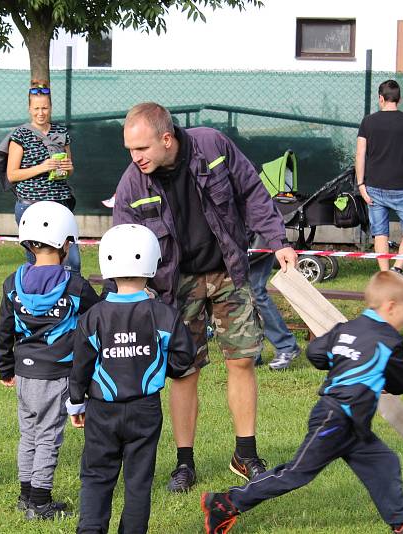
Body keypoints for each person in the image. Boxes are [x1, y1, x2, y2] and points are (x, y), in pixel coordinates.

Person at [113, 102, 296, 492]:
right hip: (175, 284)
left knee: (242, 360)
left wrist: (278, 241)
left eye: (142, 148)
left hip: (228, 269)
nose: (136, 158)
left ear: (166, 139)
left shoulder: (212, 145)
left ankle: (245, 454)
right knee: (184, 371)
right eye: (130, 150)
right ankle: (184, 464)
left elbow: (252, 190)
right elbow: (124, 241)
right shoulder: (132, 183)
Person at [201, 271, 403, 534]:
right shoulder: (390, 341)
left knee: (385, 463)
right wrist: (382, 378)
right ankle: (225, 503)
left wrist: (344, 361)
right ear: (390, 307)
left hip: (351, 424)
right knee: (296, 473)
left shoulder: (347, 328)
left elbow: (316, 353)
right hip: (335, 420)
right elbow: (402, 382)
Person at [68, 224, 195, 534]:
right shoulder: (165, 315)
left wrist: (75, 402)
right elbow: (183, 360)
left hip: (101, 410)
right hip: (145, 410)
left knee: (97, 476)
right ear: (152, 263)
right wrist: (158, 366)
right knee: (138, 481)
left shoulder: (93, 316)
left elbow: (81, 366)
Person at [0, 200, 99, 520]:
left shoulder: (13, 282)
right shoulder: (76, 285)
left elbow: (4, 329)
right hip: (56, 374)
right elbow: (98, 317)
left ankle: (26, 496)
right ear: (66, 242)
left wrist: (5, 366)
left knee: (29, 434)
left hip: (24, 374)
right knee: (48, 438)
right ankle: (40, 503)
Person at [6, 81, 79, 273]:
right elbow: (12, 175)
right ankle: (37, 300)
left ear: (51, 108)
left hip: (59, 204)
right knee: (37, 264)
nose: (41, 112)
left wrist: (68, 168)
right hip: (31, 206)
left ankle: (69, 299)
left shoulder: (61, 132)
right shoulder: (20, 134)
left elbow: (68, 169)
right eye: (37, 108)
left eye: (45, 108)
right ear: (30, 109)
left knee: (72, 262)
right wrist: (42, 167)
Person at [356, 79, 403, 276]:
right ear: (399, 99)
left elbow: (360, 153)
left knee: (380, 232)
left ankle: (385, 275)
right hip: (402, 187)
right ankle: (397, 269)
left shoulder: (368, 122)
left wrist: (361, 184)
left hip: (374, 187)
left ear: (380, 98)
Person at [248, 249, 301, 370]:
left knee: (256, 293)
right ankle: (252, 351)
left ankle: (286, 346)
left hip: (260, 242)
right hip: (242, 244)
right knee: (244, 295)